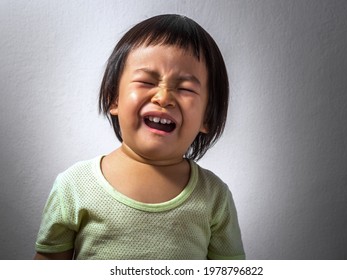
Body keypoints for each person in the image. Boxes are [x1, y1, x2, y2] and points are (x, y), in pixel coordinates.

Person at [34, 14, 245, 260]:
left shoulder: (214, 197)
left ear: (207, 117)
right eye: (146, 81)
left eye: (186, 88)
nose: (163, 97)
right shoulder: (74, 186)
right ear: (114, 98)